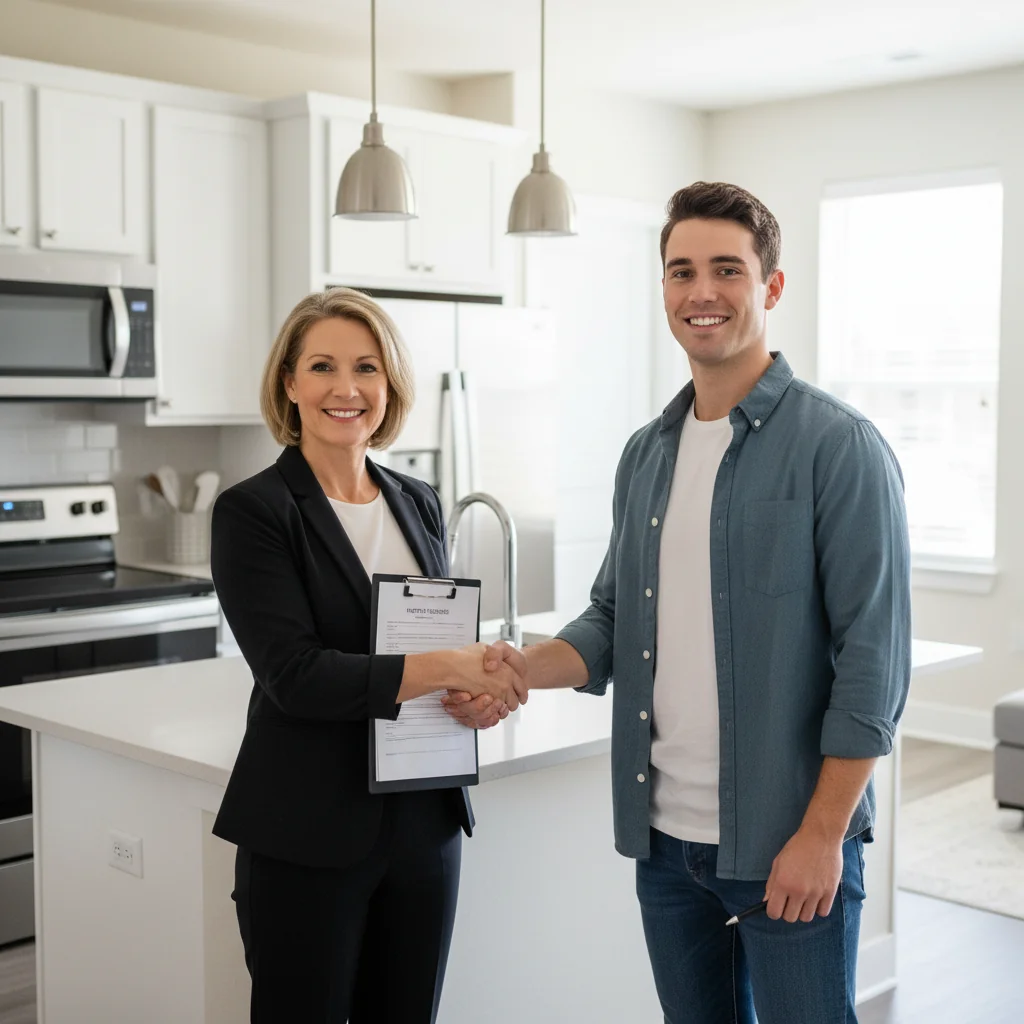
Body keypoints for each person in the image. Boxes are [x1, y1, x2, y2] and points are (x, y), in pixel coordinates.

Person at [451, 181, 912, 1023]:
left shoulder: (838, 448)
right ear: (663, 289)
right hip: (665, 847)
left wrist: (821, 837)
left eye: (727, 270)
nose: (701, 292)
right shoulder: (647, 454)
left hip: (789, 843)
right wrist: (521, 669)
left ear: (771, 287)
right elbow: (613, 618)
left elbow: (874, 668)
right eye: (681, 271)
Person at [210, 287, 522, 1024]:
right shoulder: (255, 512)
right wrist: (453, 667)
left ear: (391, 384)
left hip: (425, 822)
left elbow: (432, 646)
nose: (346, 389)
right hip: (309, 831)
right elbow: (297, 677)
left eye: (367, 368)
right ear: (289, 382)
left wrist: (472, 696)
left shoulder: (417, 500)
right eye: (322, 367)